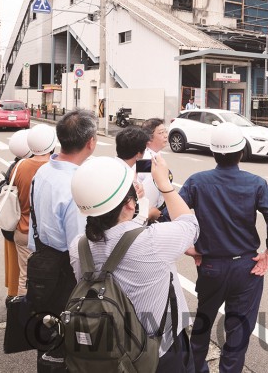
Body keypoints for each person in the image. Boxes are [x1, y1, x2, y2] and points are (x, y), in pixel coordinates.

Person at [69, 155, 199, 372]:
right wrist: (164, 184)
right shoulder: (153, 241)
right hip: (158, 354)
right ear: (130, 204)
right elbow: (190, 224)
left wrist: (131, 207)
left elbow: (119, 236)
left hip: (109, 352)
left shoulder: (78, 247)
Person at [176, 122, 268, 373]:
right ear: (241, 153)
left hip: (211, 265)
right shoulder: (256, 183)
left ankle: (195, 369)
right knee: (238, 331)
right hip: (246, 267)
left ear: (213, 153)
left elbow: (171, 212)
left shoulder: (197, 181)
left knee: (202, 323)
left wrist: (189, 246)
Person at [28, 109, 97, 373]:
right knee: (65, 341)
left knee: (46, 332)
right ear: (90, 142)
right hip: (65, 275)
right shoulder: (75, 184)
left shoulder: (43, 171)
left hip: (41, 264)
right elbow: (78, 249)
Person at [9, 124, 57, 296]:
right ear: (52, 145)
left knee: (25, 276)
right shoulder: (54, 168)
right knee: (50, 277)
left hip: (22, 229)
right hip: (47, 234)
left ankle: (23, 314)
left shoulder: (20, 166)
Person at [1, 129, 33, 301]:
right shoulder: (28, 167)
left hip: (12, 224)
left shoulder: (14, 166)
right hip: (25, 226)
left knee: (16, 266)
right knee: (24, 270)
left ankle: (12, 296)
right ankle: (19, 302)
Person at [139, 118, 170, 222]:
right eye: (161, 133)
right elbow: (148, 194)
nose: (165, 135)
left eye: (165, 131)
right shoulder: (146, 160)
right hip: (151, 216)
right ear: (148, 139)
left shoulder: (154, 154)